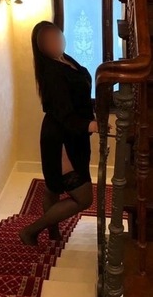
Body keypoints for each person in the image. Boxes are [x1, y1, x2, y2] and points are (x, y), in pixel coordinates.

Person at [19, 21, 99, 246]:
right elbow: (63, 113)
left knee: (52, 186)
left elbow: (78, 96)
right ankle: (30, 231)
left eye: (58, 35)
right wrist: (91, 125)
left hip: (70, 133)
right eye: (50, 40)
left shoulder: (65, 59)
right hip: (62, 137)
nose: (57, 41)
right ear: (41, 47)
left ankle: (52, 230)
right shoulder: (52, 72)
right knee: (83, 198)